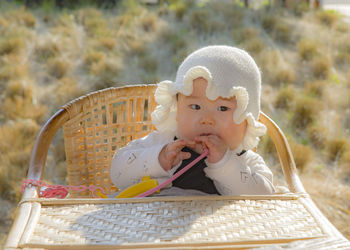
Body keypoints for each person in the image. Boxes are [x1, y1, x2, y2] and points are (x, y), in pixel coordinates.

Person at [110, 45, 275, 196]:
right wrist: (158, 160)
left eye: (223, 108)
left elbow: (265, 199)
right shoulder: (162, 143)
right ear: (177, 109)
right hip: (149, 224)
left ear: (247, 120)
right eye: (195, 106)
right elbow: (117, 173)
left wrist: (225, 164)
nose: (206, 119)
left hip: (220, 228)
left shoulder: (246, 162)